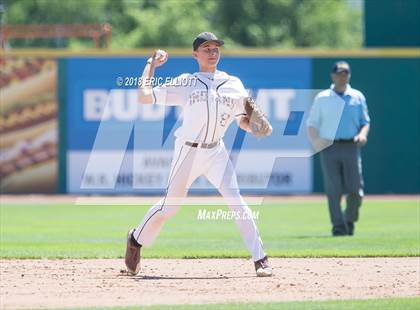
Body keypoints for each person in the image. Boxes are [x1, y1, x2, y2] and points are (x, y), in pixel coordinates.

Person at [124, 32, 273, 277]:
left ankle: (261, 258)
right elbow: (144, 97)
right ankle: (135, 239)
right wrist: (149, 66)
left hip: (217, 150)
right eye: (206, 48)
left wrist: (254, 126)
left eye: (216, 48)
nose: (212, 52)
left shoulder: (233, 84)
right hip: (188, 151)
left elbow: (242, 121)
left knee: (237, 202)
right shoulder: (186, 82)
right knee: (169, 208)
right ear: (195, 55)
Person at [306, 61, 370, 236]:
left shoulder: (357, 96)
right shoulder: (322, 98)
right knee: (333, 190)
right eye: (339, 73)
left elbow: (365, 122)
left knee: (356, 190)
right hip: (329, 147)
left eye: (345, 73)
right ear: (333, 76)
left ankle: (349, 220)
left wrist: (363, 134)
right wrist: (316, 142)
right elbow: (311, 124)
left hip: (351, 145)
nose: (343, 76)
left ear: (349, 75)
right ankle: (339, 227)